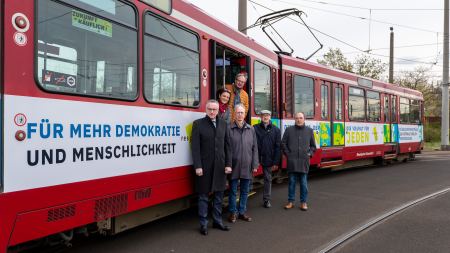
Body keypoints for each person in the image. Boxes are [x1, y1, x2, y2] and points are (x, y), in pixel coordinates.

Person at [191, 100, 232, 235]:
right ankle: (203, 224)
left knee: (219, 196)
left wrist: (228, 164)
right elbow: (195, 148)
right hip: (204, 167)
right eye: (210, 109)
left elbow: (228, 147)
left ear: (218, 110)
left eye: (215, 109)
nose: (212, 112)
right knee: (203, 196)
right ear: (206, 109)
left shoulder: (224, 124)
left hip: (220, 167)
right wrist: (198, 166)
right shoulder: (198, 124)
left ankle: (217, 221)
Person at [228, 103, 259, 223]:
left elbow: (255, 148)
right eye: (238, 112)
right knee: (233, 191)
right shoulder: (229, 128)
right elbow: (227, 149)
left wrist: (255, 164)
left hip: (247, 165)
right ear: (234, 114)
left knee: (245, 191)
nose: (240, 115)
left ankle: (242, 212)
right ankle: (232, 213)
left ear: (245, 114)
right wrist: (228, 165)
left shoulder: (251, 129)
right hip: (234, 166)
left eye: (242, 112)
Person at [281, 112, 316, 211]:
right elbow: (283, 143)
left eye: (300, 118)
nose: (299, 120)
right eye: (297, 118)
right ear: (294, 119)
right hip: (292, 161)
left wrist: (309, 154)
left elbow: (313, 146)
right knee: (291, 182)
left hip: (304, 162)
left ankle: (303, 202)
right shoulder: (289, 130)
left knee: (303, 183)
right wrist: (288, 154)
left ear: (304, 119)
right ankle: (290, 201)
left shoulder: (309, 131)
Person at [254, 110, 281, 208]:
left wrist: (275, 161)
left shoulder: (276, 130)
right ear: (260, 117)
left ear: (270, 117)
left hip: (268, 157)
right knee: (247, 179)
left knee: (267, 179)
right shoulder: (255, 128)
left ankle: (266, 200)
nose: (265, 117)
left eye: (267, 115)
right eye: (263, 115)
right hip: (256, 157)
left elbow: (278, 147)